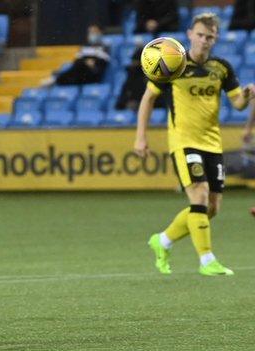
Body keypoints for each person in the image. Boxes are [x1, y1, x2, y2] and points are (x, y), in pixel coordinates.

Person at [134, 13, 255, 276]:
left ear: (216, 39)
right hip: (184, 142)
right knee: (199, 194)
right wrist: (140, 137)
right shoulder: (172, 65)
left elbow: (237, 103)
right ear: (190, 34)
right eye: (200, 35)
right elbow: (147, 99)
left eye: (209, 37)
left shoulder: (221, 68)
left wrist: (246, 96)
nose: (204, 40)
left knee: (210, 208)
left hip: (212, 143)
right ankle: (207, 260)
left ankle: (162, 240)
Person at [41, 24, 110, 87]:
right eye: (90, 32)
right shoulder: (85, 47)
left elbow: (103, 62)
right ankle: (57, 79)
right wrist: (86, 61)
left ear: (100, 33)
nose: (92, 34)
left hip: (94, 74)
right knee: (75, 65)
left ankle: (56, 79)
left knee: (79, 65)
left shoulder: (105, 46)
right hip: (81, 73)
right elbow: (77, 60)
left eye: (94, 32)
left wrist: (91, 62)